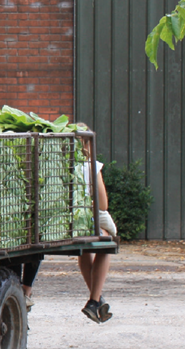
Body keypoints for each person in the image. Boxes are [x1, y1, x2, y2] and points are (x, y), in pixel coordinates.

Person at [76, 126, 116, 323]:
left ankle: (97, 300)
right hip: (84, 219)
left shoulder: (58, 167)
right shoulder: (91, 166)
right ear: (87, 144)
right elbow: (103, 203)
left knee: (84, 250)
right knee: (106, 241)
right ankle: (94, 300)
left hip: (65, 223)